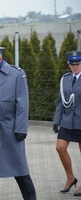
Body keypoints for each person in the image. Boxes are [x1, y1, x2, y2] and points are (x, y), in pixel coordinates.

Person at [0, 46, 36, 200]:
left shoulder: (16, 74)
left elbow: (23, 103)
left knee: (20, 168)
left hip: (9, 128)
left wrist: (21, 128)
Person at [53, 50, 81, 196]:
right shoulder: (65, 79)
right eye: (72, 64)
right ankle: (70, 177)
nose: (75, 67)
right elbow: (60, 102)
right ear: (69, 65)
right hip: (67, 122)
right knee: (60, 148)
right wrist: (57, 120)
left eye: (77, 64)